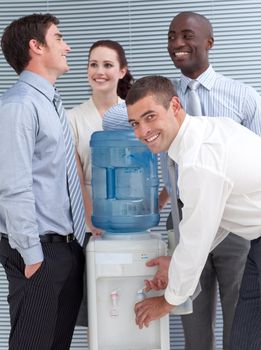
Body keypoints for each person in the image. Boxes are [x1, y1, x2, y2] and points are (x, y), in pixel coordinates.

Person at [126, 75, 261, 350]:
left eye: (150, 116)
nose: (142, 131)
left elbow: (196, 239)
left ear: (174, 105)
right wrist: (176, 261)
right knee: (245, 341)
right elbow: (216, 219)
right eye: (135, 123)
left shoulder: (199, 160)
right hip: (257, 245)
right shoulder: (205, 132)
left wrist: (167, 302)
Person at [162, 11, 261, 350]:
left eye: (186, 35)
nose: (177, 43)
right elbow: (123, 116)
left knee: (242, 317)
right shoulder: (162, 99)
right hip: (184, 215)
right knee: (194, 323)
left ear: (209, 42)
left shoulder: (243, 96)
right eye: (172, 36)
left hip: (235, 223)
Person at [0, 14, 86, 350]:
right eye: (59, 37)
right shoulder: (18, 106)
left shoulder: (51, 104)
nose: (67, 46)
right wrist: (32, 257)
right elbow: (12, 186)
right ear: (36, 46)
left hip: (66, 248)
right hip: (38, 252)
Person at [67, 40, 134, 327]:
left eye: (108, 65)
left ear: (122, 71)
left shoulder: (134, 113)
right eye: (93, 64)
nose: (99, 71)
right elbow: (76, 175)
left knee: (129, 302)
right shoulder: (72, 118)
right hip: (88, 225)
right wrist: (91, 216)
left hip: (129, 224)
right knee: (95, 309)